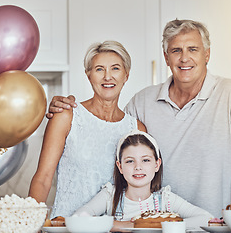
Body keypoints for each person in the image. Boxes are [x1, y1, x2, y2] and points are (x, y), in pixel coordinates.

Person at [46, 19, 231, 232]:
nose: (184, 58)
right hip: (153, 227)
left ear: (207, 54)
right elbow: (109, 128)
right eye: (176, 50)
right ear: (166, 57)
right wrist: (67, 107)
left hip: (206, 225)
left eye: (193, 49)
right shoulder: (142, 102)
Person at [28, 40, 146, 218]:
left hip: (116, 228)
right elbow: (43, 177)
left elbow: (141, 188)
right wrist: (31, 223)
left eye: (115, 68)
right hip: (67, 226)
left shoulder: (136, 128)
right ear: (88, 75)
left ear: (126, 75)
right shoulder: (66, 116)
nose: (108, 77)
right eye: (99, 69)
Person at [74, 130, 213, 231]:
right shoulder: (109, 196)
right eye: (130, 161)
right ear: (120, 166)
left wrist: (160, 225)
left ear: (157, 164)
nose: (138, 167)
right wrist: (125, 225)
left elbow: (207, 218)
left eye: (145, 160)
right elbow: (78, 218)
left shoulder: (166, 199)